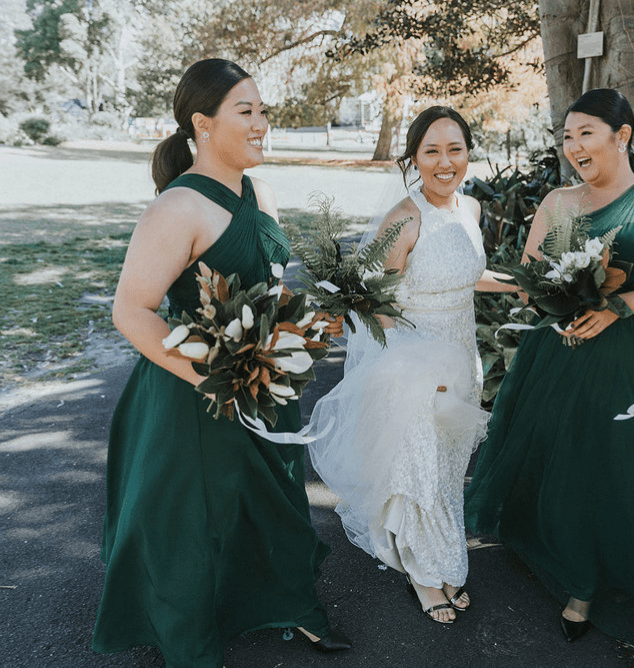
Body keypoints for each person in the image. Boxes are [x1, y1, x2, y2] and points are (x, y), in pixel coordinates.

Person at [92, 59, 351, 667]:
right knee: (190, 523)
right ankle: (190, 642)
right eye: (246, 111)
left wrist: (304, 324)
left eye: (264, 110)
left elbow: (270, 288)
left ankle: (287, 603)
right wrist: (217, 378)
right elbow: (131, 311)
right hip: (193, 392)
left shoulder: (262, 192)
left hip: (261, 379)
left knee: (273, 501)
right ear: (202, 124)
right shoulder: (176, 208)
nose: (262, 123)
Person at [464, 88, 634, 657]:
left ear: (621, 136)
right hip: (565, 357)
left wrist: (620, 305)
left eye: (586, 134)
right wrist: (557, 297)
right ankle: (581, 585)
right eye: (567, 137)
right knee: (575, 468)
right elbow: (532, 281)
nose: (574, 147)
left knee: (633, 471)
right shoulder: (558, 203)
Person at [307, 106, 516, 625]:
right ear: (414, 157)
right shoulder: (405, 215)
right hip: (415, 364)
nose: (445, 163)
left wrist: (525, 287)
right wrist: (418, 364)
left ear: (469, 152)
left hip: (463, 357)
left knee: (447, 468)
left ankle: (442, 556)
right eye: (432, 151)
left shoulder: (469, 208)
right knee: (420, 466)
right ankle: (426, 576)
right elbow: (375, 302)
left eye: (455, 149)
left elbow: (469, 274)